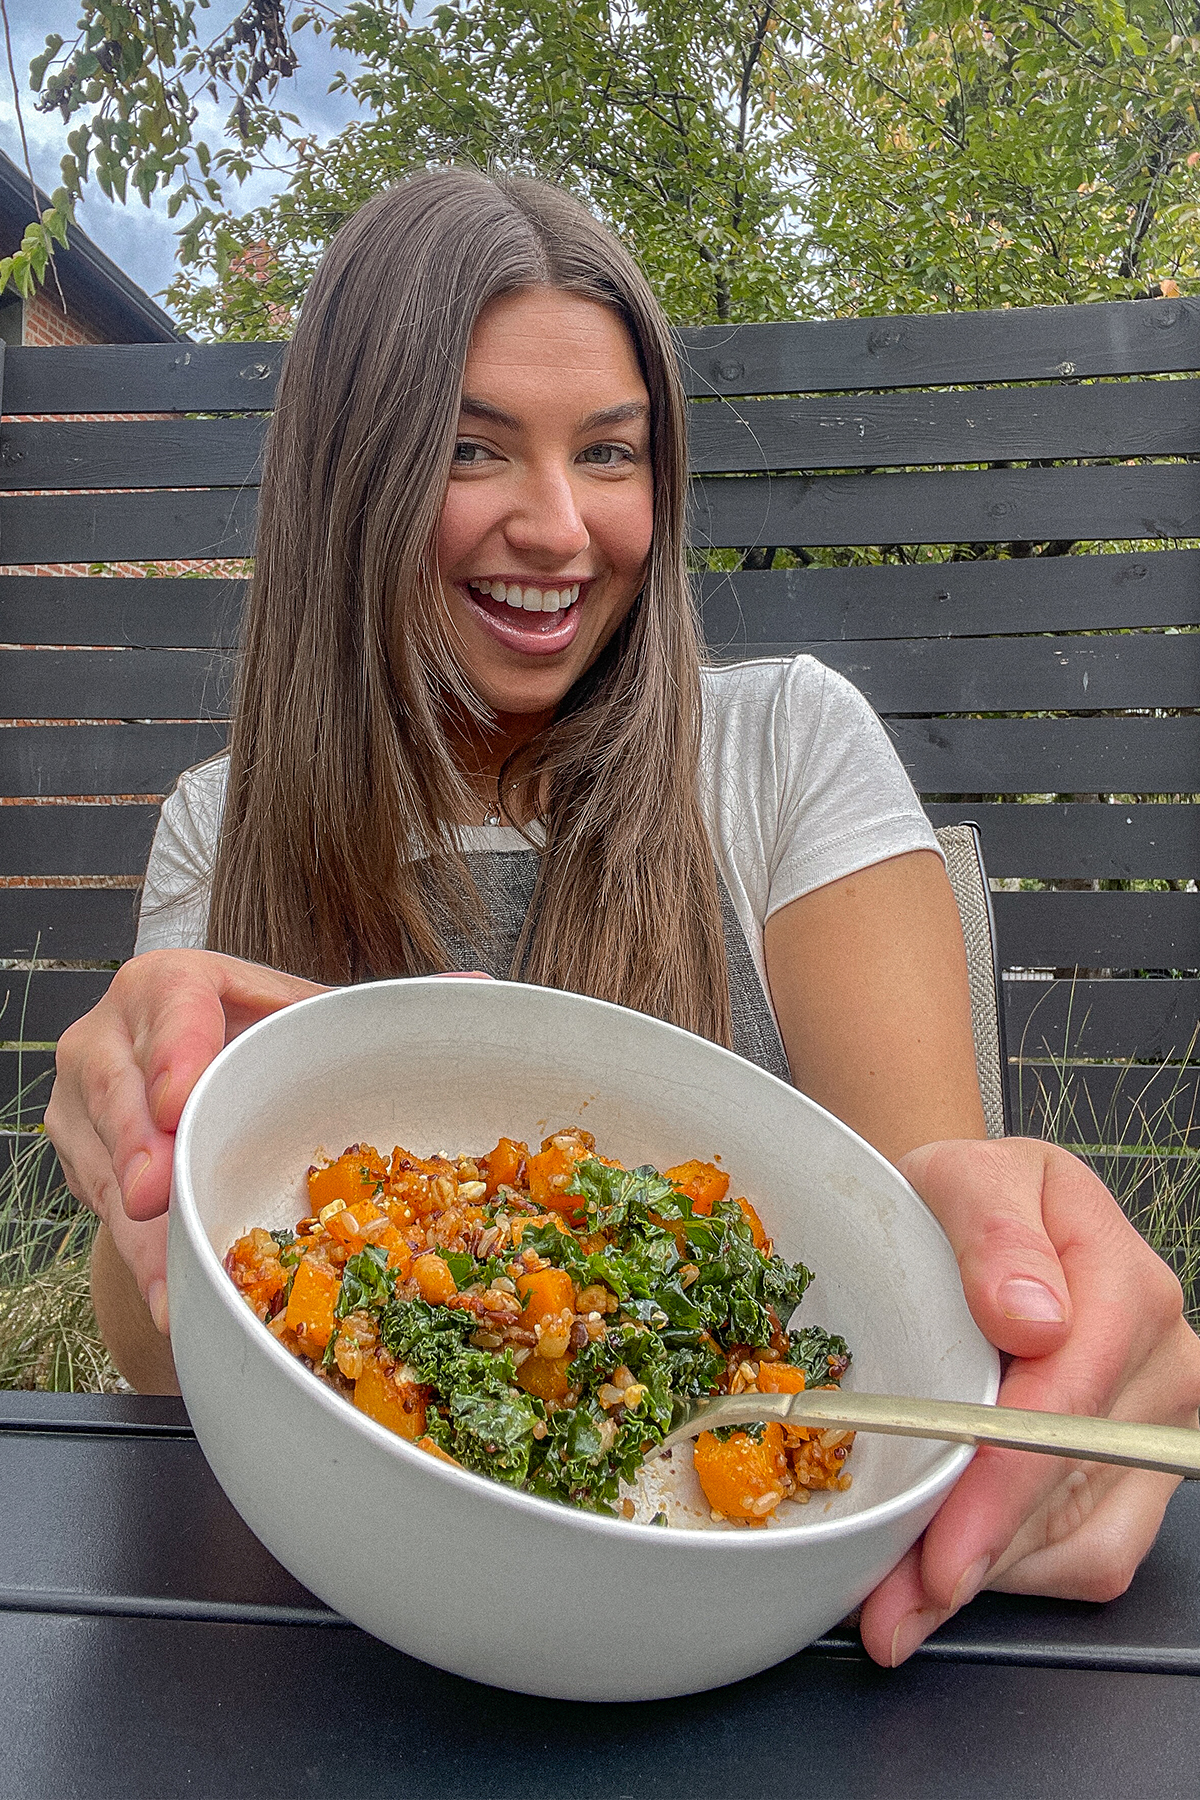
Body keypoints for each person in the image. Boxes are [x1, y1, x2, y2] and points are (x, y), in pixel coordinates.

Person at [45, 168, 1200, 1670]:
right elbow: (168, 1376)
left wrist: (1051, 1320)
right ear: (349, 481)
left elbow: (923, 1238)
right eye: (471, 450)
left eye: (611, 453)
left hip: (741, 1639)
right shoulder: (222, 816)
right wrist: (136, 1187)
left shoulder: (788, 747)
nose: (560, 527)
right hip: (328, 1632)